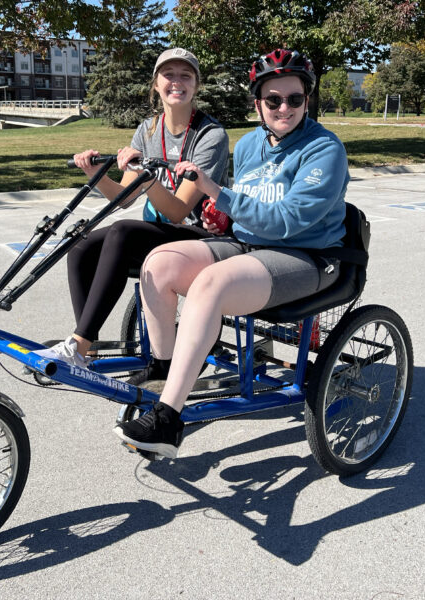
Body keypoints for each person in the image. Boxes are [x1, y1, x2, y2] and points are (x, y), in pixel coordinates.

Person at [114, 49, 350, 459]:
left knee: (211, 283)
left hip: (308, 256)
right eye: (273, 100)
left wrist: (215, 192)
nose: (285, 108)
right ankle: (168, 371)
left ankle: (169, 417)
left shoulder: (324, 149)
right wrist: (217, 213)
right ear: (257, 103)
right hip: (249, 245)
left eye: (295, 99)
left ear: (307, 100)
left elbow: (288, 221)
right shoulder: (250, 144)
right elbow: (245, 209)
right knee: (160, 263)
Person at [40, 48, 230, 369]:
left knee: (123, 232)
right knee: (82, 245)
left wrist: (145, 178)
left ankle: (78, 345)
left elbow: (178, 211)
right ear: (156, 84)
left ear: (196, 85)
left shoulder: (210, 135)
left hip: (202, 237)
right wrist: (95, 174)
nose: (176, 82)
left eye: (186, 76)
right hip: (162, 234)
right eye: (168, 75)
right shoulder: (148, 130)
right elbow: (124, 198)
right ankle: (89, 349)